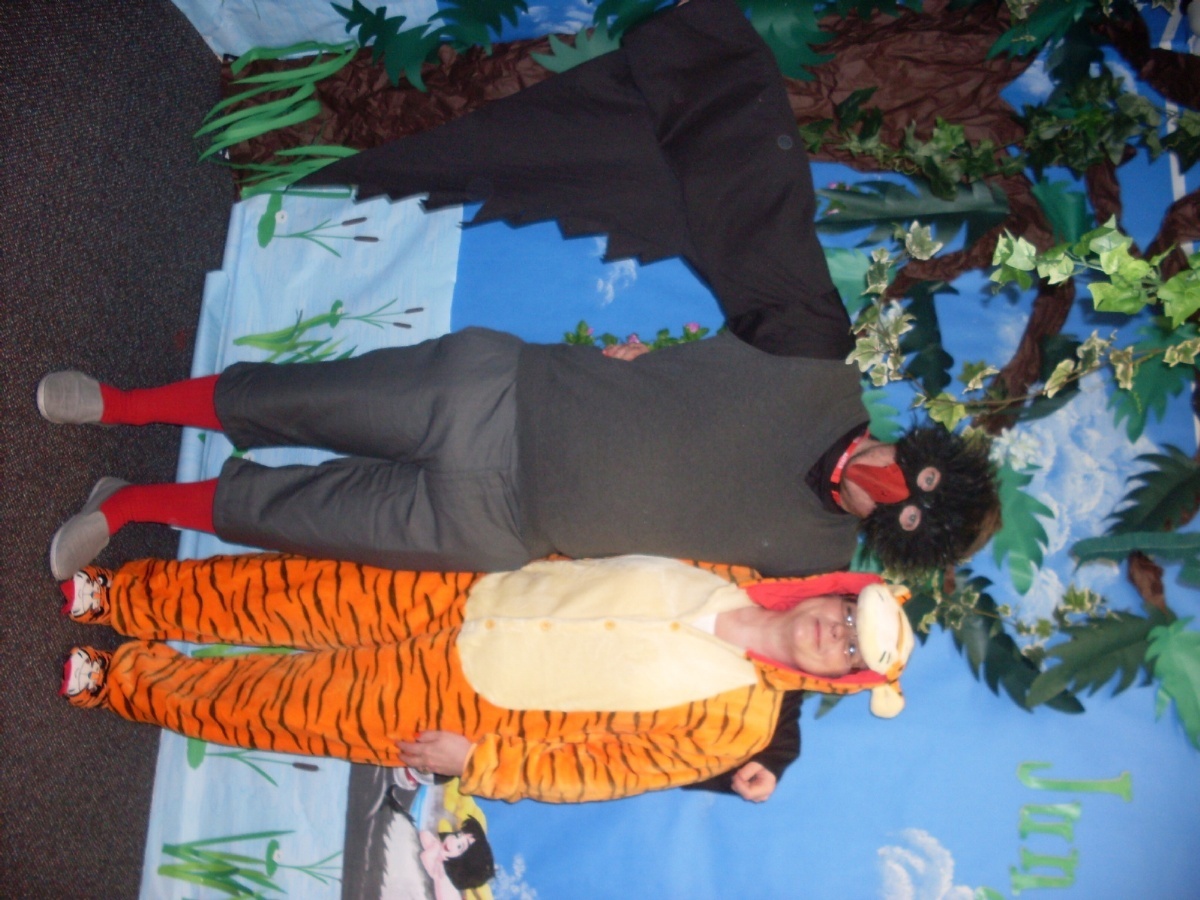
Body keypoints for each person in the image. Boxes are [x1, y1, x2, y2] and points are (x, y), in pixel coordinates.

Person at [39, 0, 995, 586]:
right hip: (493, 398)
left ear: (897, 536)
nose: (884, 483)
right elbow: (756, 208)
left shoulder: (811, 558)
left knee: (290, 516)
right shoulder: (815, 360)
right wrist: (707, 49)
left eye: (903, 512)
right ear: (920, 453)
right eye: (911, 475)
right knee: (291, 401)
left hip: (497, 526)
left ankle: (130, 505)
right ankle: (123, 403)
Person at [58, 553, 914, 803]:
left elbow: (607, 770)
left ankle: (123, 681)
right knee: (287, 590)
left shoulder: (739, 728)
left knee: (288, 705)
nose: (832, 634)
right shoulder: (728, 572)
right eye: (846, 614)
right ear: (831, 591)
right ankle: (126, 594)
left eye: (850, 649)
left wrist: (480, 763)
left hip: (474, 703)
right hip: (468, 593)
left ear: (840, 679)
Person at [419, 817, 495, 898]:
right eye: (457, 835)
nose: (452, 841)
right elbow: (424, 835)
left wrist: (436, 849)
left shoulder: (443, 875)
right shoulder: (442, 857)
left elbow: (425, 857)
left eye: (459, 846)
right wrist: (437, 847)